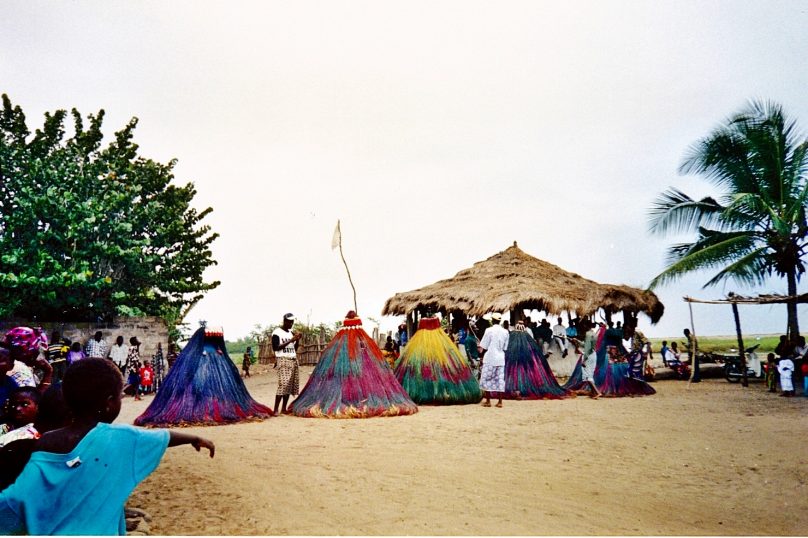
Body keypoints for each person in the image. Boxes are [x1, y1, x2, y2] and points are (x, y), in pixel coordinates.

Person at [0, 358, 214, 535]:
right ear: (110, 402)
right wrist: (193, 438)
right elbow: (161, 437)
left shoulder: (46, 442)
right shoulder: (123, 438)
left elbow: (18, 498)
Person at [272, 313, 302, 415]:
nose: (291, 323)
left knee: (289, 386)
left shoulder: (291, 333)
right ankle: (275, 409)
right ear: (284, 321)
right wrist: (291, 340)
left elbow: (294, 349)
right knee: (283, 384)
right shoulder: (277, 332)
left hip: (292, 359)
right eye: (289, 321)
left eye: (292, 322)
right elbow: (276, 347)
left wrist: (297, 340)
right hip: (283, 360)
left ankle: (284, 408)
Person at [478, 312, 508, 408]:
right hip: (500, 358)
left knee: (486, 378)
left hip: (490, 357)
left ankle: (488, 401)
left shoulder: (488, 330)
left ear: (492, 320)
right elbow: (505, 347)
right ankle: (500, 402)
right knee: (499, 379)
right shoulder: (505, 332)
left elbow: (484, 345)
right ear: (500, 321)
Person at [580, 319, 601, 399]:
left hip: (588, 355)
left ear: (586, 326)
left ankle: (597, 392)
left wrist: (584, 359)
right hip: (593, 354)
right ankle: (593, 393)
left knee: (588, 375)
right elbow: (587, 345)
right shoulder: (593, 333)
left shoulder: (588, 334)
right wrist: (577, 342)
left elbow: (587, 348)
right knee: (590, 374)